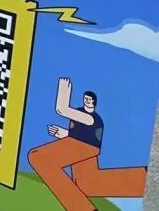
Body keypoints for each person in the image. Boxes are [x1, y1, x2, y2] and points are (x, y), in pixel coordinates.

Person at [28, 79, 147, 211]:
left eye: (90, 100)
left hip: (85, 147)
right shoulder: (80, 113)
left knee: (38, 157)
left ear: (94, 103)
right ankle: (143, 179)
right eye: (86, 99)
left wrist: (63, 90)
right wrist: (65, 134)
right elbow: (81, 133)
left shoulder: (91, 118)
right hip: (81, 145)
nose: (87, 101)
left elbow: (62, 109)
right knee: (87, 183)